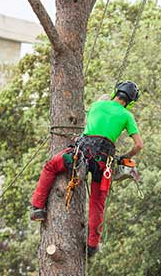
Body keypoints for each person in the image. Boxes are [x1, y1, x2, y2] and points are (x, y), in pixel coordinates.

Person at [30, 81, 143, 257]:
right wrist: (125, 158)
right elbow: (139, 145)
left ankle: (38, 208)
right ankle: (92, 245)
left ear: (115, 93)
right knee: (97, 202)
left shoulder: (97, 105)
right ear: (131, 101)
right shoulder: (127, 115)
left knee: (51, 166)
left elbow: (93, 124)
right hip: (104, 161)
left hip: (82, 151)